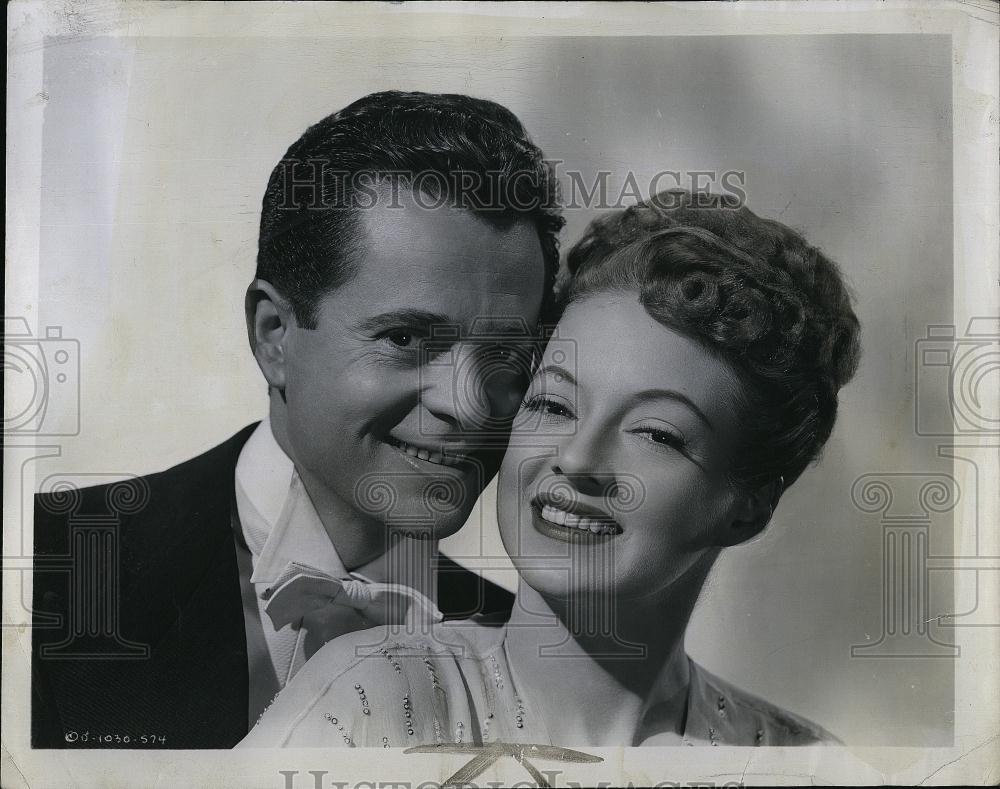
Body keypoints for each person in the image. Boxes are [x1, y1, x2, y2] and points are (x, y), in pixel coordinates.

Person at [31, 91, 564, 748]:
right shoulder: (43, 564)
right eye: (406, 338)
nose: (471, 404)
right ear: (274, 334)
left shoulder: (531, 657)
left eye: (505, 354)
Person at [237, 189, 862, 748]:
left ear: (748, 502)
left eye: (655, 433)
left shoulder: (810, 765)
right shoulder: (361, 706)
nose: (578, 458)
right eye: (553, 403)